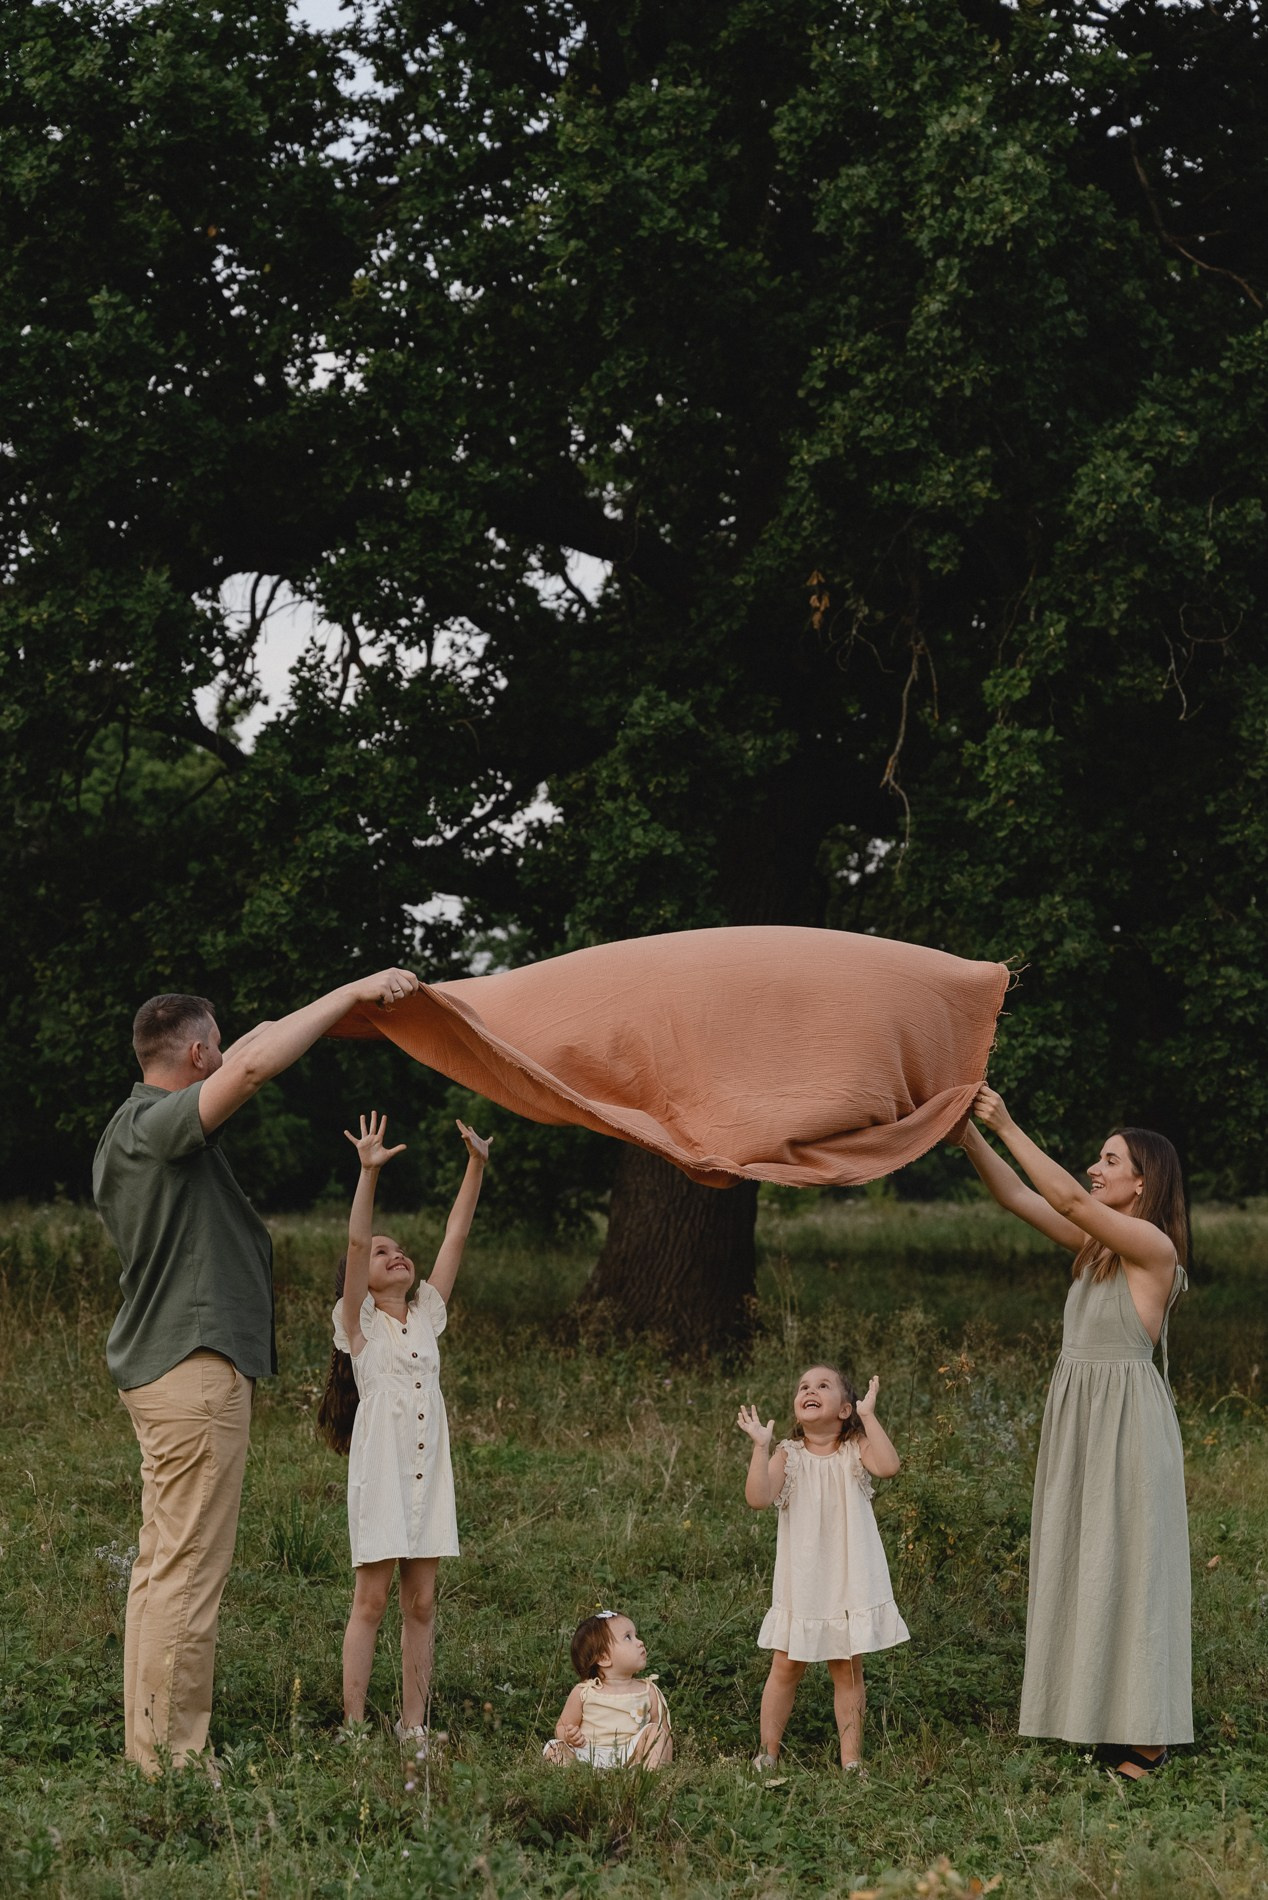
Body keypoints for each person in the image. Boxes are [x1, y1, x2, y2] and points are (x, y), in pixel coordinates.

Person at [93, 968, 420, 1776]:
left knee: (163, 1567)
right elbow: (252, 1064)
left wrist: (320, 1016)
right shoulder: (161, 1126)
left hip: (171, 1371)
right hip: (193, 1370)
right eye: (218, 1047)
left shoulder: (129, 1130)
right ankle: (172, 1759)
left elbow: (249, 1046)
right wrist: (350, 993)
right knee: (188, 1574)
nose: (229, 1056)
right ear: (196, 1055)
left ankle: (150, 1748)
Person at [959, 1086, 1192, 1780]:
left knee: (1134, 1570)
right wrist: (968, 1138)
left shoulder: (1152, 1246)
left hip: (1128, 1428)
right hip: (1083, 1423)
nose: (1095, 1167)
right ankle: (1102, 1717)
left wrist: (1005, 1121)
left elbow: (1063, 1197)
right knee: (1089, 1565)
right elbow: (1018, 1199)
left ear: (1142, 1183)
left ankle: (1148, 1737)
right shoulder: (1098, 1246)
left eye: (1108, 1159)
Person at [317, 1109, 489, 1747]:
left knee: (421, 1604)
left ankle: (413, 1726)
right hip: (384, 1475)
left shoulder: (427, 1316)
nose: (395, 1255)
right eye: (383, 1253)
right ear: (356, 1283)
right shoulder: (359, 1326)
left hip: (428, 1474)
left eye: (399, 1249)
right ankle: (355, 1727)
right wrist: (368, 1172)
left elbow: (454, 1238)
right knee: (372, 1602)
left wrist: (476, 1166)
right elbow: (357, 1240)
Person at [737, 1365, 907, 1772]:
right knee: (786, 1666)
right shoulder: (787, 1454)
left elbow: (889, 1466)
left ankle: (851, 1760)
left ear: (845, 1408)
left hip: (850, 1576)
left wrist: (869, 1416)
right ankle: (767, 1753)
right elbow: (758, 1498)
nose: (810, 1390)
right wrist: (760, 1448)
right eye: (804, 1387)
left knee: (847, 1669)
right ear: (797, 1408)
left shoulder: (855, 1449)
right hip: (804, 1579)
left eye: (823, 1386)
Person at [543, 1612, 673, 1768]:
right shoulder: (584, 1692)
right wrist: (570, 1736)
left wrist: (664, 1758)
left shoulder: (648, 1690)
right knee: (553, 1747)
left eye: (636, 1636)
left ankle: (648, 1775)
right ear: (604, 1658)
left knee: (655, 1731)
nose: (640, 1642)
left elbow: (664, 1734)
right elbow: (561, 1727)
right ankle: (577, 1774)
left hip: (631, 1755)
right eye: (628, 1637)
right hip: (588, 1754)